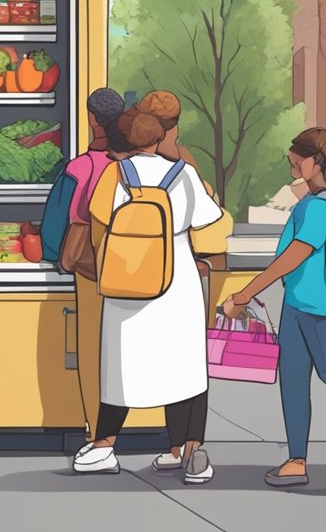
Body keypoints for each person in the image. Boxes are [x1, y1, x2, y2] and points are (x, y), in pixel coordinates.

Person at [73, 108, 224, 484]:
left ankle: (104, 447)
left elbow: (97, 218)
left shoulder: (114, 175)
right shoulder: (184, 175)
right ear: (159, 139)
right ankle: (189, 452)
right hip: (178, 280)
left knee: (121, 367)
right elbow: (209, 217)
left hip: (128, 279)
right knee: (185, 369)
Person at [223, 127, 326, 488]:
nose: (292, 160)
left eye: (299, 156)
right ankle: (297, 460)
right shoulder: (318, 199)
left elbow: (295, 256)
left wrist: (246, 293)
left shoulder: (318, 206)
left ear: (317, 161)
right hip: (299, 305)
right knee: (294, 383)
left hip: (320, 308)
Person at [64, 88, 127, 443]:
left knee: (91, 352)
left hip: (90, 269)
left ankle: (96, 432)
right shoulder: (129, 168)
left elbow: (62, 221)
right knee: (117, 352)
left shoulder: (80, 167)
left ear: (90, 119)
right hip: (129, 270)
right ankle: (117, 430)